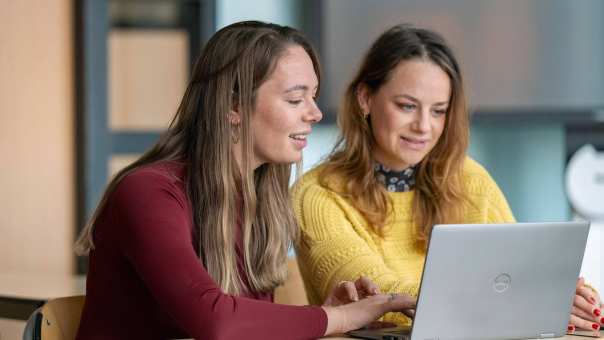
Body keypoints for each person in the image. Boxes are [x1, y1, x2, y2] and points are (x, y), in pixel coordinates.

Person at [74, 21, 415, 340]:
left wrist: (327, 313)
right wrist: (336, 319)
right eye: (296, 99)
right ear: (233, 105)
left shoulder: (255, 197)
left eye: (313, 96)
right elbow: (217, 321)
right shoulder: (147, 192)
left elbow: (242, 327)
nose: (315, 113)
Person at [292, 23, 602, 334]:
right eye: (407, 106)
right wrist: (528, 297)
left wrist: (555, 290)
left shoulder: (469, 178)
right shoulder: (314, 195)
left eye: (439, 111)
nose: (424, 126)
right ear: (365, 99)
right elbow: (379, 297)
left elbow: (514, 273)